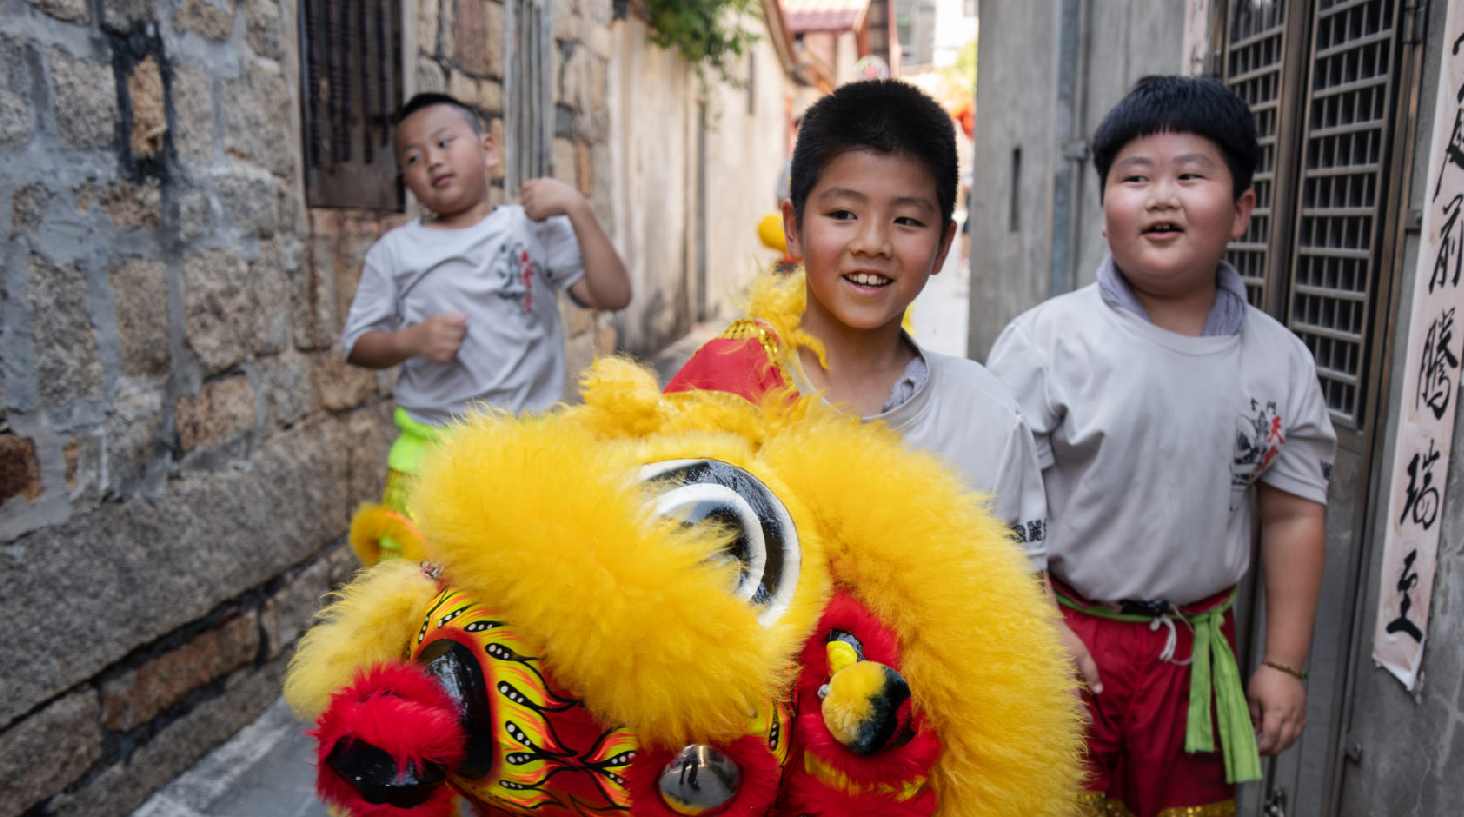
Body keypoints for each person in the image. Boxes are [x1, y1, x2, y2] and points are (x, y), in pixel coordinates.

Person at [986, 75, 1336, 817]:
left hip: (1197, 663)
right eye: (1136, 176)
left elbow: (1295, 509)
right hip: (1060, 645)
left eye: (1194, 173)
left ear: (1245, 207)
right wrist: (1034, 625)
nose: (1164, 195)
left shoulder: (1279, 361)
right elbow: (990, 507)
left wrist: (1285, 663)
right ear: (1104, 205)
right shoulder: (1047, 342)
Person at [666, 78, 1047, 569]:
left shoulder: (986, 418)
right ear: (793, 229)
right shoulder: (718, 389)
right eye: (843, 213)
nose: (873, 243)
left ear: (943, 246)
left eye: (907, 220)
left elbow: (1022, 609)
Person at [342, 93, 631, 558]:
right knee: (421, 605)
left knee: (527, 599)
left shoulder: (530, 229)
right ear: (406, 181)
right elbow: (357, 344)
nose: (433, 160)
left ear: (488, 150)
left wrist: (577, 208)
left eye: (444, 142)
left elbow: (613, 295)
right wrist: (409, 340)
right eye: (414, 157)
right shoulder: (394, 252)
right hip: (430, 458)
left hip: (528, 456)